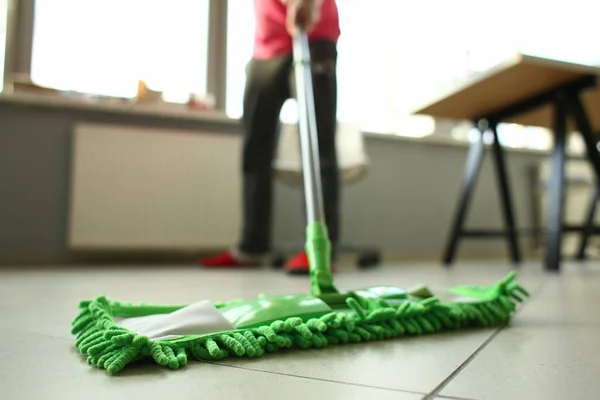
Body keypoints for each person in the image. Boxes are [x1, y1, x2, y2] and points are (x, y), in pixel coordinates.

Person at [201, 0, 340, 273]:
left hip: (314, 33)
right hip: (266, 44)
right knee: (256, 148)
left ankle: (323, 250)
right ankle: (252, 246)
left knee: (317, 146)